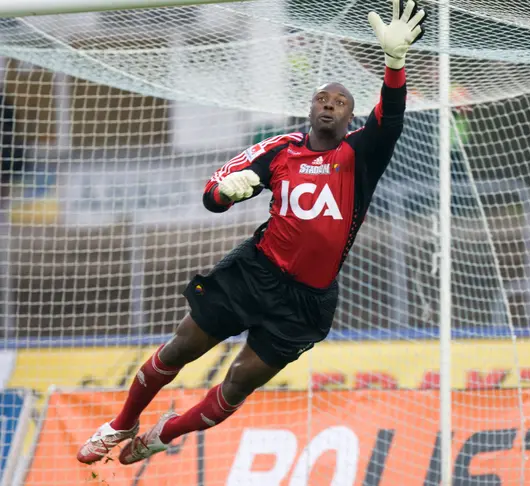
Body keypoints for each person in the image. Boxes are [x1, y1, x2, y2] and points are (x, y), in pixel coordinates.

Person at [77, 0, 426, 466]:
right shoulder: (278, 150)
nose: (330, 104)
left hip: (306, 303)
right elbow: (211, 197)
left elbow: (393, 118)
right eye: (323, 97)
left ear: (351, 119)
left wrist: (395, 63)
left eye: (341, 102)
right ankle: (122, 422)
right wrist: (227, 192)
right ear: (310, 107)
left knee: (238, 385)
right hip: (255, 271)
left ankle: (166, 433)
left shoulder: (361, 155)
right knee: (181, 348)